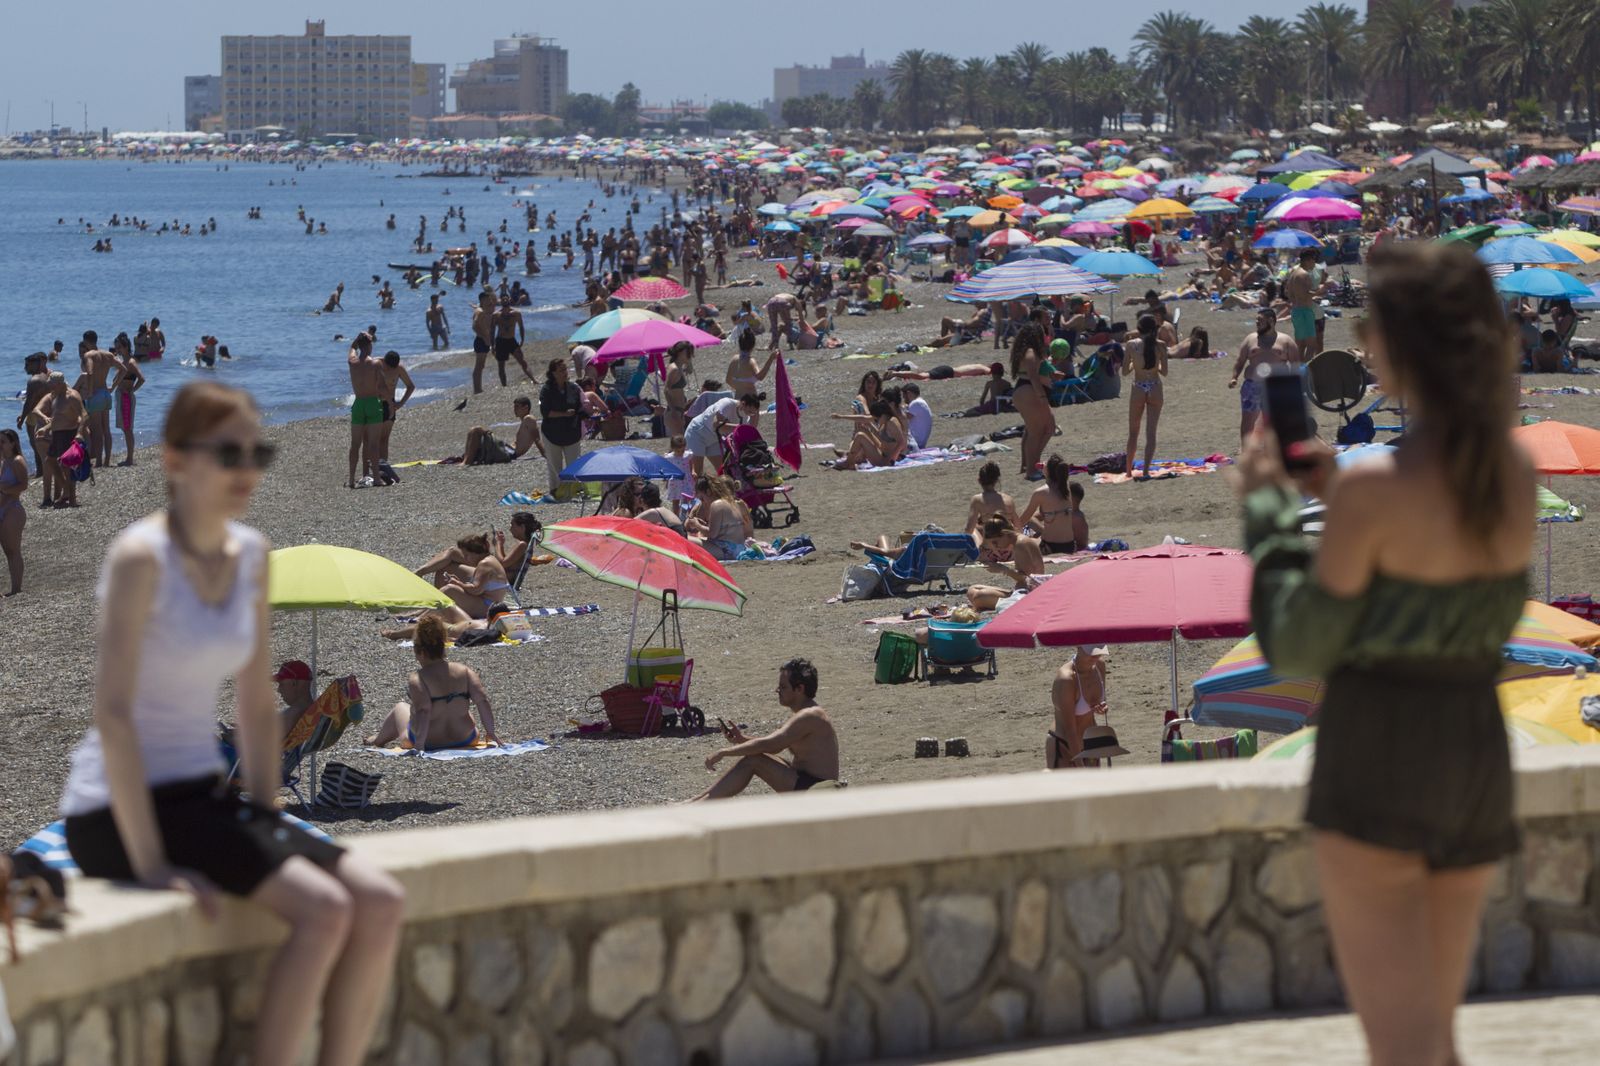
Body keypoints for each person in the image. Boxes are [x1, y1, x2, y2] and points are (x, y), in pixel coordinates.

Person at [1236, 241, 1533, 1066]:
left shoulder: (1377, 492)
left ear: (1404, 347)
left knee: (1401, 1048)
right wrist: (1340, 498)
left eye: (1371, 327)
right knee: (1432, 1035)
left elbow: (1298, 642)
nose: (1363, 343)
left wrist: (1268, 518)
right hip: (1474, 750)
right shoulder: (1509, 471)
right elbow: (1431, 559)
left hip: (1380, 755)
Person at [59, 381, 405, 1066]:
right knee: (325, 910)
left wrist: (268, 814)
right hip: (120, 808)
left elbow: (253, 705)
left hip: (204, 795)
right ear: (177, 460)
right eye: (228, 454)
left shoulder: (249, 554)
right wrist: (154, 865)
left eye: (256, 453)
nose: (246, 471)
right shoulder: (139, 558)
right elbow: (115, 714)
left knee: (380, 901)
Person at [690, 659, 838, 799]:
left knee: (754, 760)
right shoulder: (808, 712)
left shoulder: (809, 715)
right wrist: (741, 740)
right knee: (756, 756)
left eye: (783, 687)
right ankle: (697, 801)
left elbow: (771, 745)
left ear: (799, 689)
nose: (777, 690)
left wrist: (723, 752)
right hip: (807, 782)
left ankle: (699, 806)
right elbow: (771, 744)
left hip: (818, 791)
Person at [366, 617, 500, 752]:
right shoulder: (465, 671)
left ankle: (378, 740)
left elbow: (424, 710)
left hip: (429, 741)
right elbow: (482, 700)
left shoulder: (418, 678)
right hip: (465, 737)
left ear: (420, 652)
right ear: (443, 648)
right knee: (459, 707)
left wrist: (419, 744)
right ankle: (377, 738)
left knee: (400, 708)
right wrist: (490, 732)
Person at [1230, 308, 1299, 443]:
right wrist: (1234, 377)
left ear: (1271, 321)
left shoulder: (1285, 340)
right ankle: (1246, 454)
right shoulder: (1250, 339)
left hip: (1277, 387)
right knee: (1248, 423)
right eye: (1256, 320)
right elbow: (1240, 361)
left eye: (1260, 320)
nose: (1257, 323)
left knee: (1279, 423)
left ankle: (1279, 454)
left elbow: (1296, 365)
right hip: (1252, 387)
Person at [964, 513, 1046, 610]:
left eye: (996, 542)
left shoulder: (1021, 544)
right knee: (972, 590)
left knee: (978, 597)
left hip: (1030, 594)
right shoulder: (1018, 542)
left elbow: (1029, 580)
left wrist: (1003, 569)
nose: (996, 546)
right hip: (1023, 590)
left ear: (1005, 534)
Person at [29, 372, 85, 508]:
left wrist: (80, 432)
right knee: (50, 461)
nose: (50, 387)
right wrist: (46, 428)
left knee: (66, 466)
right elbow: (58, 418)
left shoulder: (72, 396)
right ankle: (66, 491)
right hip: (57, 434)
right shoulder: (55, 397)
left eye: (52, 384)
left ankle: (72, 499)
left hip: (69, 433)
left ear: (59, 384)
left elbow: (84, 415)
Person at [1123, 316, 1169, 479]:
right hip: (1155, 386)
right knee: (1151, 433)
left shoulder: (1131, 345)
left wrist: (1135, 364)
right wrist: (1156, 364)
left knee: (1133, 432)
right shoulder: (1161, 345)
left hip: (1139, 387)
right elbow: (1164, 372)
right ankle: (1146, 471)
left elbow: (1125, 372)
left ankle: (1128, 471)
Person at [1009, 323, 1057, 481]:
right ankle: (1031, 469)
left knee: (1049, 427)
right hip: (1028, 391)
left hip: (1028, 391)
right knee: (1036, 432)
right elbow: (1033, 376)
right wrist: (1042, 397)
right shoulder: (1030, 352)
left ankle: (1033, 463)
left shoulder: (1032, 351)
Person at [1049, 646, 1108, 768]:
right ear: (1078, 646)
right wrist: (1080, 766)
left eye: (1098, 652)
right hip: (1064, 745)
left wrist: (1102, 708)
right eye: (1091, 652)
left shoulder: (1099, 666)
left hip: (1090, 742)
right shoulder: (1067, 679)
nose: (1095, 656)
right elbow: (1070, 729)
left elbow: (1099, 703)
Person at [1020, 455, 1087, 554]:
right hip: (1070, 546)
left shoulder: (1041, 492)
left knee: (1022, 542)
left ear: (1047, 470)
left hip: (1049, 546)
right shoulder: (1066, 488)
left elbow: (1023, 520)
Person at [539, 359, 585, 499]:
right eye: (561, 370)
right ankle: (556, 491)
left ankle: (574, 490)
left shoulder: (573, 388)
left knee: (574, 464)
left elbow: (580, 407)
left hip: (571, 432)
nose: (564, 373)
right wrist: (564, 414)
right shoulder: (547, 390)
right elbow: (546, 412)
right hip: (552, 433)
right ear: (553, 373)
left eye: (565, 369)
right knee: (554, 466)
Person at [684, 392, 759, 478]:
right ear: (743, 403)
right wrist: (740, 427)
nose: (749, 414)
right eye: (749, 411)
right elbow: (717, 425)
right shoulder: (726, 403)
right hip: (697, 433)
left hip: (715, 439)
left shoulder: (744, 416)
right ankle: (693, 491)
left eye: (752, 413)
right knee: (697, 473)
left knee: (724, 472)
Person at [346, 334, 385, 488]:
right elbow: (381, 387)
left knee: (355, 444)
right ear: (369, 346)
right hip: (372, 402)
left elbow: (351, 348)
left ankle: (351, 480)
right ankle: (376, 478)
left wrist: (356, 339)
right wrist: (389, 400)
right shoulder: (375, 364)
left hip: (358, 403)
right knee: (374, 444)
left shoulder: (352, 362)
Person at [462, 396, 543, 466]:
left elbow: (536, 438)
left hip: (509, 453)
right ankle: (466, 459)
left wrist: (545, 454)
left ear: (526, 407)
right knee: (472, 431)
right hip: (506, 449)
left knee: (476, 430)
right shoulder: (525, 422)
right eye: (514, 407)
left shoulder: (529, 419)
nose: (514, 409)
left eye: (517, 407)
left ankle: (466, 462)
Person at [685, 475, 752, 560]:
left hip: (727, 550)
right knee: (692, 538)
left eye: (702, 498)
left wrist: (697, 524)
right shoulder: (732, 502)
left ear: (708, 492)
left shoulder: (717, 504)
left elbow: (712, 534)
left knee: (683, 538)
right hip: (737, 548)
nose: (703, 502)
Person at [828, 400, 902, 471]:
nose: (876, 421)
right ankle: (855, 457)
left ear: (882, 415)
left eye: (876, 419)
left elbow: (901, 442)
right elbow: (863, 418)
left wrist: (892, 460)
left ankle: (849, 463)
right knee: (862, 429)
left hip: (885, 460)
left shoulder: (891, 423)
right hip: (881, 451)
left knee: (860, 436)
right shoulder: (884, 419)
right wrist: (841, 416)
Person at [965, 462, 1019, 553]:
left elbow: (968, 530)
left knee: (974, 529)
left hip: (990, 553)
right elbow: (1018, 527)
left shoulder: (977, 500)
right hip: (1010, 552)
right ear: (996, 480)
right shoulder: (1008, 499)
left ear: (979, 480)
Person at [0, 429, 28, 595]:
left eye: (3, 441)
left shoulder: (17, 461)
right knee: (5, 550)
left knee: (12, 550)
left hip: (12, 509)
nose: (0, 445)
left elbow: (23, 485)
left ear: (12, 443)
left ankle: (16, 588)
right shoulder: (2, 461)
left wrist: (4, 489)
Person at [111, 341, 145, 467]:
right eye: (116, 347)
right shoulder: (123, 361)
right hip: (121, 396)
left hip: (126, 397)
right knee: (125, 428)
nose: (117, 349)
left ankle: (130, 459)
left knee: (128, 429)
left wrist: (132, 390)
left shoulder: (130, 362)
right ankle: (129, 457)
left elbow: (141, 378)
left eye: (119, 347)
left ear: (126, 347)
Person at [378, 351, 415, 468]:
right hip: (375, 404)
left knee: (384, 438)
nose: (389, 370)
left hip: (390, 406)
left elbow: (410, 386)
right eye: (388, 367)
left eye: (392, 368)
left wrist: (401, 403)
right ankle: (372, 466)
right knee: (373, 439)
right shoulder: (375, 365)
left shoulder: (399, 369)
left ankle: (383, 466)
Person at [491, 294, 537, 387]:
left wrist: (522, 339)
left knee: (522, 361)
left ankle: (534, 380)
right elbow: (492, 331)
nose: (504, 300)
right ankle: (504, 386)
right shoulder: (496, 315)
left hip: (512, 341)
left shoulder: (516, 313)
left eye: (506, 298)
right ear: (500, 301)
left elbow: (521, 327)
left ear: (509, 299)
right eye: (502, 299)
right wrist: (492, 345)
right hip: (500, 341)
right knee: (501, 365)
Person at [18, 352, 51, 477]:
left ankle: (40, 471)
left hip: (36, 415)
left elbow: (29, 402)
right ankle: (42, 469)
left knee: (35, 443)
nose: (25, 368)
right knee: (42, 443)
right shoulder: (45, 377)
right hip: (45, 413)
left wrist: (22, 418)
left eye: (28, 365)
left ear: (35, 364)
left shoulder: (34, 380)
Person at [1284, 249, 1320, 361]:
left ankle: (1298, 369)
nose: (1315, 263)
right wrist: (1321, 291)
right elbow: (1306, 295)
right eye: (1314, 260)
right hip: (1305, 311)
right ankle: (1306, 369)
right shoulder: (1304, 275)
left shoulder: (1293, 273)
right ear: (1308, 260)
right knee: (1311, 345)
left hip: (1296, 310)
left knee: (1300, 344)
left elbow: (1287, 292)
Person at [468, 291, 495, 394]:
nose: (490, 301)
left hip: (484, 341)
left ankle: (479, 388)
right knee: (478, 366)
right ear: (483, 300)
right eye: (488, 299)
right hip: (480, 341)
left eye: (490, 299)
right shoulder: (480, 311)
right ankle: (477, 389)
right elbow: (474, 326)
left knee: (481, 365)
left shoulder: (481, 309)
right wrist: (484, 337)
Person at [900, 383, 934, 449]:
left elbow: (904, 417)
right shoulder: (920, 402)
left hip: (916, 442)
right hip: (919, 441)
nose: (904, 399)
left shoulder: (916, 403)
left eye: (904, 396)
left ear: (909, 393)